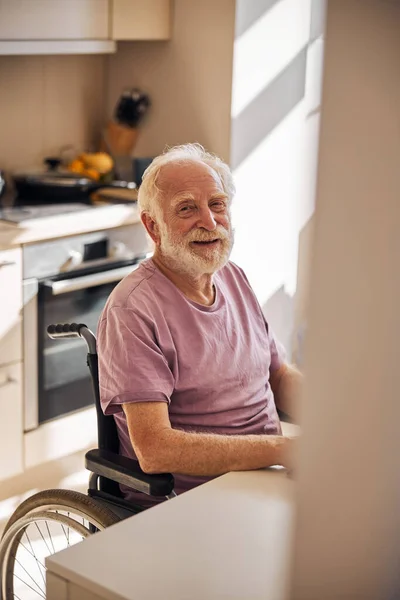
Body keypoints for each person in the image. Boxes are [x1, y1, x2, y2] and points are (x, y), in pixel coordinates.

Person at [97, 143, 302, 508]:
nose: (209, 222)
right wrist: (282, 449)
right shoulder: (132, 309)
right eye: (187, 208)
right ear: (152, 226)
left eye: (217, 204)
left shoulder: (233, 276)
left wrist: (344, 416)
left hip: (265, 479)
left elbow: (280, 376)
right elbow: (155, 449)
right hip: (191, 500)